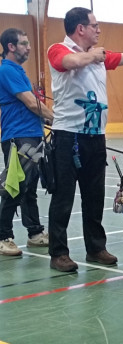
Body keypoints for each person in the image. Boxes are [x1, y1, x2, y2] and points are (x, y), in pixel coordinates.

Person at [47, 7, 123, 272]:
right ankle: (58, 253)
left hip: (95, 137)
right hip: (69, 136)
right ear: (80, 29)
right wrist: (93, 56)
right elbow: (68, 62)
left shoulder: (98, 56)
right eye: (94, 26)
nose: (98, 30)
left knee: (94, 196)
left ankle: (96, 248)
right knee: (63, 197)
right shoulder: (58, 49)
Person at [0, 28, 52, 256]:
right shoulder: (7, 70)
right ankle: (3, 236)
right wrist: (57, 119)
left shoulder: (18, 71)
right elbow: (31, 103)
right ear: (11, 47)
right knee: (15, 185)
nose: (29, 47)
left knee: (30, 186)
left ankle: (35, 233)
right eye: (24, 43)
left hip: (32, 135)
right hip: (18, 136)